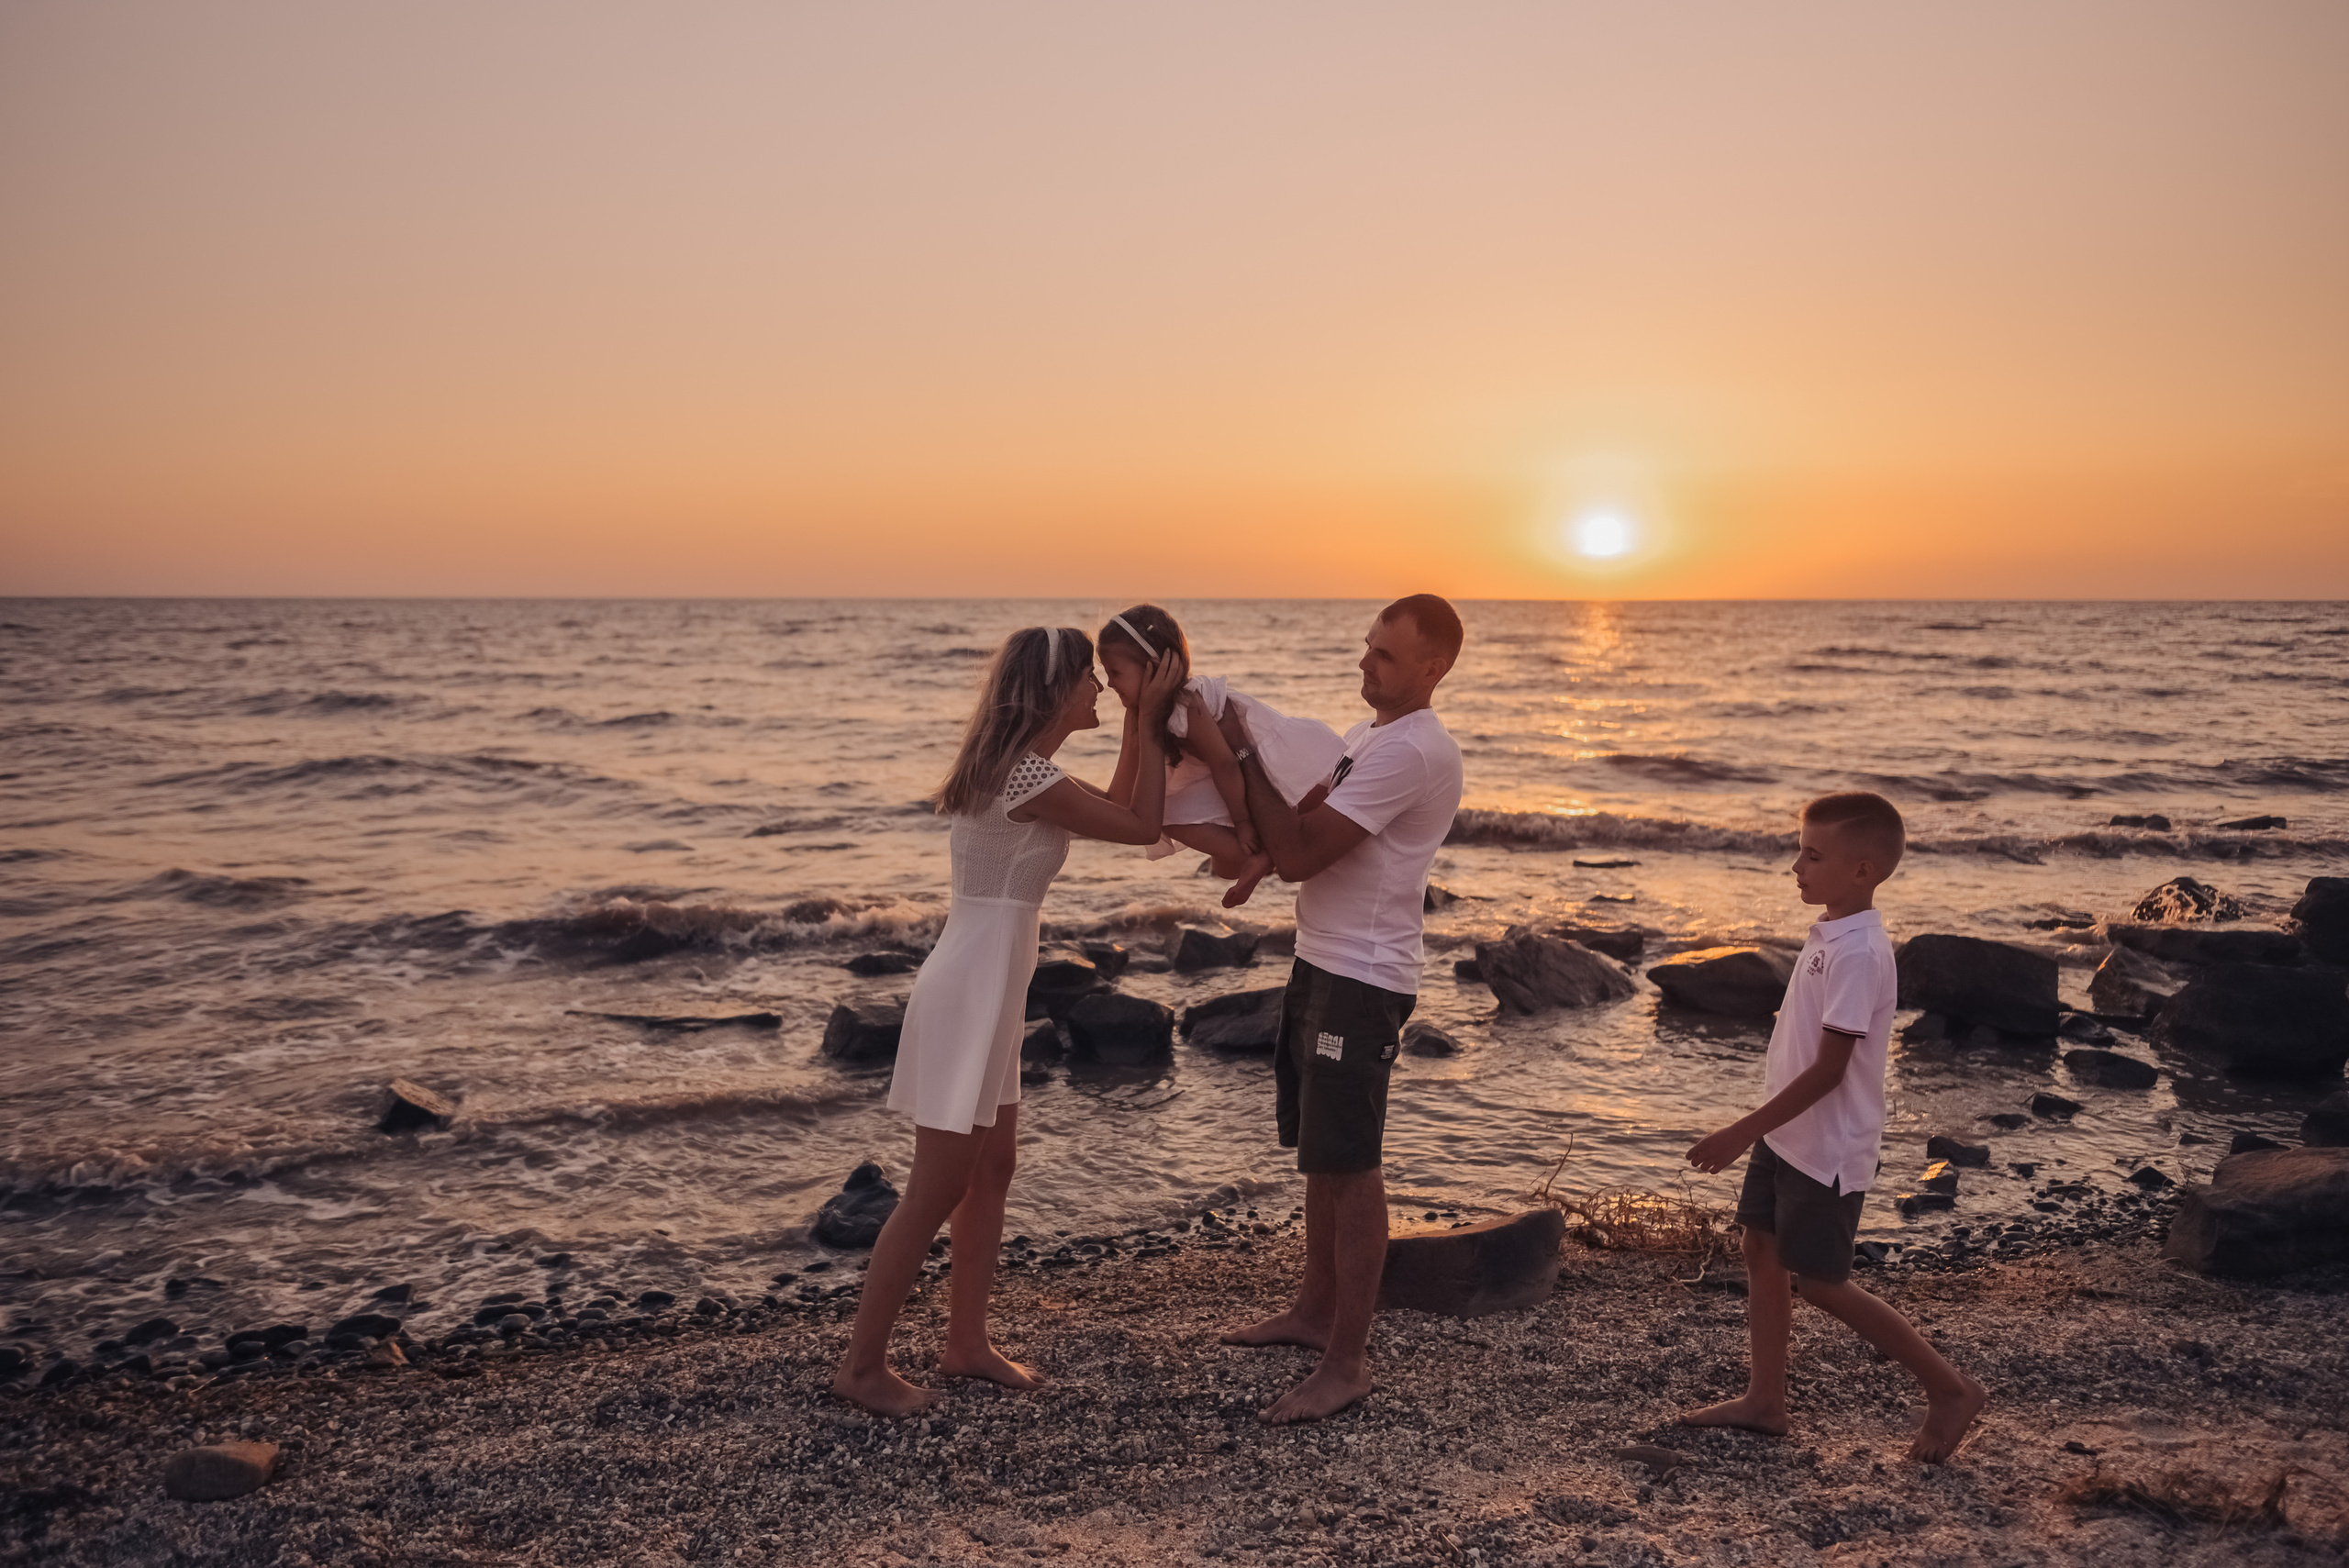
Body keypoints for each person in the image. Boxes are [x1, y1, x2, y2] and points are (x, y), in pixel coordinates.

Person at [831, 624, 1186, 1418]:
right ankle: (861, 1366)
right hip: (970, 988)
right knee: (935, 1187)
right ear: (1055, 689)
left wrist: (1139, 719)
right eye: (1091, 678)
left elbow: (1128, 807)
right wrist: (1151, 716)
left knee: (993, 1169)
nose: (1100, 687)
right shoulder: (1025, 777)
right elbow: (1138, 826)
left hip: (992, 983)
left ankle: (966, 1343)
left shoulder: (1030, 772)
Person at [1214, 595, 1465, 1423]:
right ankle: (1314, 1312)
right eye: (1367, 647)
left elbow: (1301, 852)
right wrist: (1250, 854)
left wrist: (1243, 746)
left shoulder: (1417, 750)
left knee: (1352, 1164)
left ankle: (1348, 1361)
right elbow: (1301, 822)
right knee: (1322, 1154)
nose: (1366, 663)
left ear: (1434, 668)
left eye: (1386, 656)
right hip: (1321, 957)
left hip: (1362, 977)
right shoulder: (1367, 738)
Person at [1680, 792, 1989, 1463]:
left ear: (1863, 870)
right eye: (1799, 850)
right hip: (1789, 1133)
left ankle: (1949, 1388)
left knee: (1821, 1282)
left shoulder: (1859, 953)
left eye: (1812, 855)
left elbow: (1829, 1071)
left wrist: (1740, 1131)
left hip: (1827, 1146)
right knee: (1760, 1250)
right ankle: (1765, 1401)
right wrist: (1762, 1130)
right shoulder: (1830, 931)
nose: (1796, 865)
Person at [1094, 603, 1348, 907]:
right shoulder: (1143, 715)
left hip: (1261, 766)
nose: (1109, 684)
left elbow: (1225, 763)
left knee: (1309, 826)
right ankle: (1255, 858)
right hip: (1233, 781)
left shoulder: (1185, 706)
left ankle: (1256, 857)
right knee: (1157, 811)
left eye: (1115, 673)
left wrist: (1242, 823)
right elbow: (1123, 802)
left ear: (1153, 667)